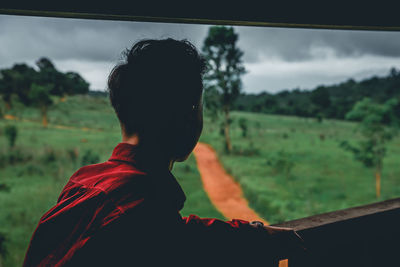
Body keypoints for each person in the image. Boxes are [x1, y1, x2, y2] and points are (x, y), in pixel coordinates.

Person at [23, 38, 305, 267]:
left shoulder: (84, 181)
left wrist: (251, 234)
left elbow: (180, 235)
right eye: (199, 108)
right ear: (187, 116)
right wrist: (256, 239)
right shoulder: (142, 205)